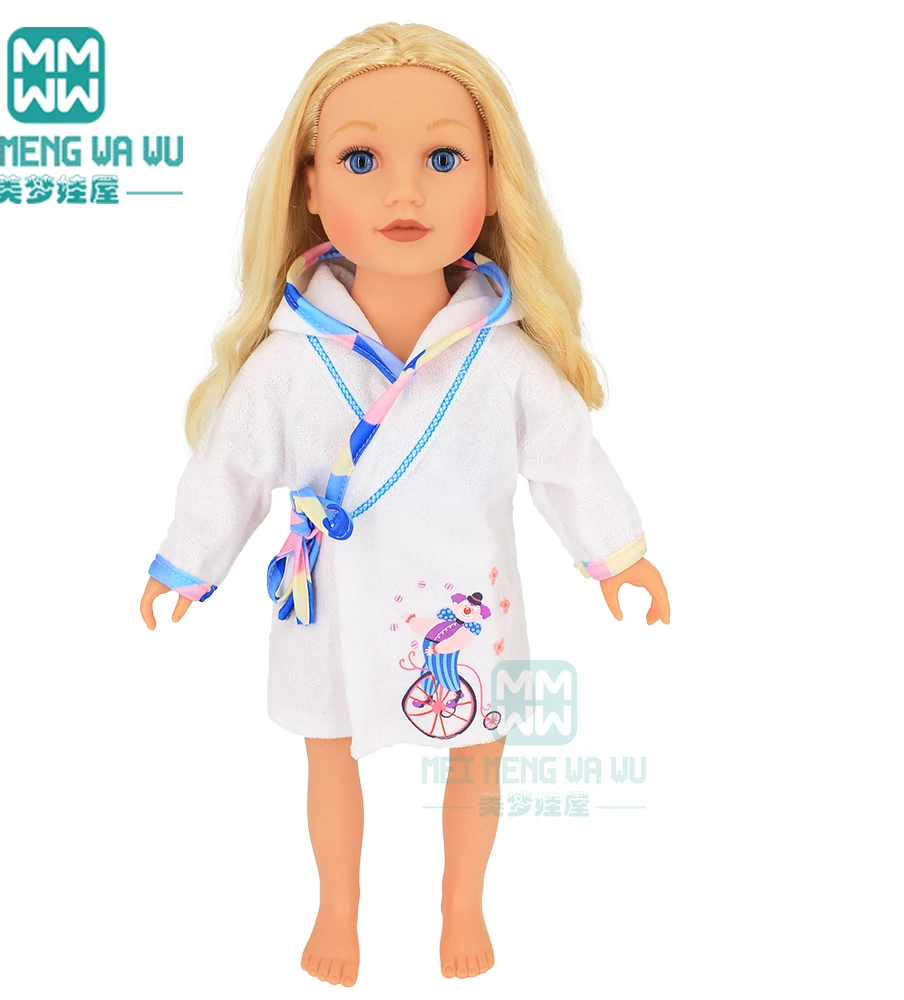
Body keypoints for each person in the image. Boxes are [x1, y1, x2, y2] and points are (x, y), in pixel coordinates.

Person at [139, 21, 670, 986]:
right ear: (310, 185)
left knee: (479, 748)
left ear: (492, 183)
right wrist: (188, 563)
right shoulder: (288, 362)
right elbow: (229, 469)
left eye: (442, 158)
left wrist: (616, 557)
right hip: (332, 596)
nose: (403, 193)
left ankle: (462, 903)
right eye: (360, 160)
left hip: (461, 595)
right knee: (328, 750)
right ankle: (336, 910)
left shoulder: (501, 359)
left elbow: (568, 462)